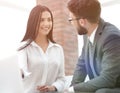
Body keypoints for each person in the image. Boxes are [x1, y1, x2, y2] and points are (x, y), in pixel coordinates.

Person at [65, 0, 120, 93]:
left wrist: (74, 89)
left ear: (82, 22)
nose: (71, 24)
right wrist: (71, 88)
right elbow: (81, 65)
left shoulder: (111, 37)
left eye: (71, 20)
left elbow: (108, 79)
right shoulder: (88, 33)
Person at [17, 5, 65, 93]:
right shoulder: (24, 47)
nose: (46, 24)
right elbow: (22, 70)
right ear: (33, 22)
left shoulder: (58, 49)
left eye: (49, 20)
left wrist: (53, 87)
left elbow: (61, 79)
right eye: (41, 20)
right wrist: (19, 72)